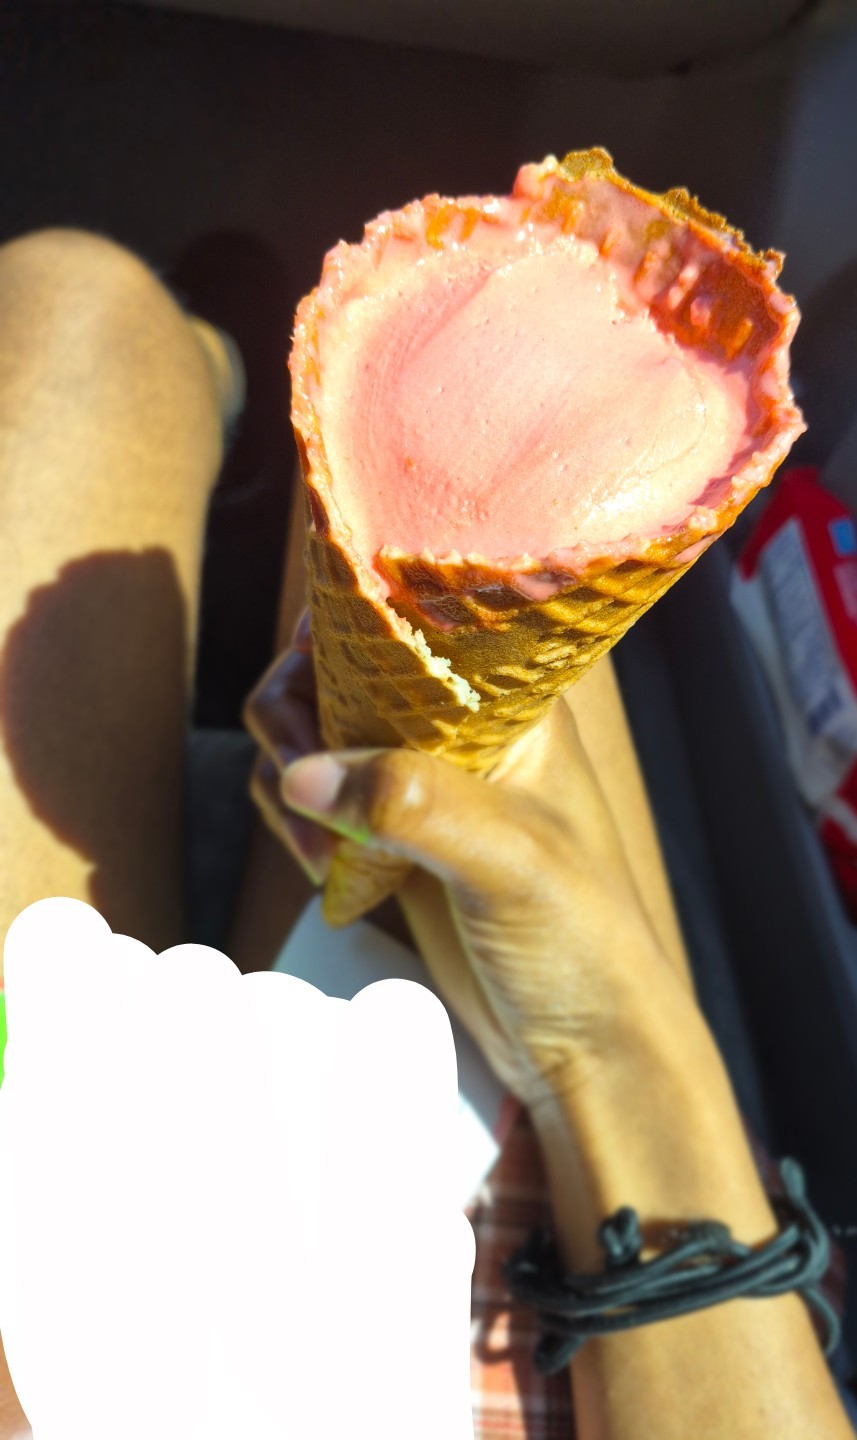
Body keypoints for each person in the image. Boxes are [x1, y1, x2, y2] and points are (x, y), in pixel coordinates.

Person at [0, 227, 853, 1440]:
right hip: (621, 1307)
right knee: (455, 471)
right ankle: (236, 414)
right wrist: (602, 1040)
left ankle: (211, 377)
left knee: (75, 321)